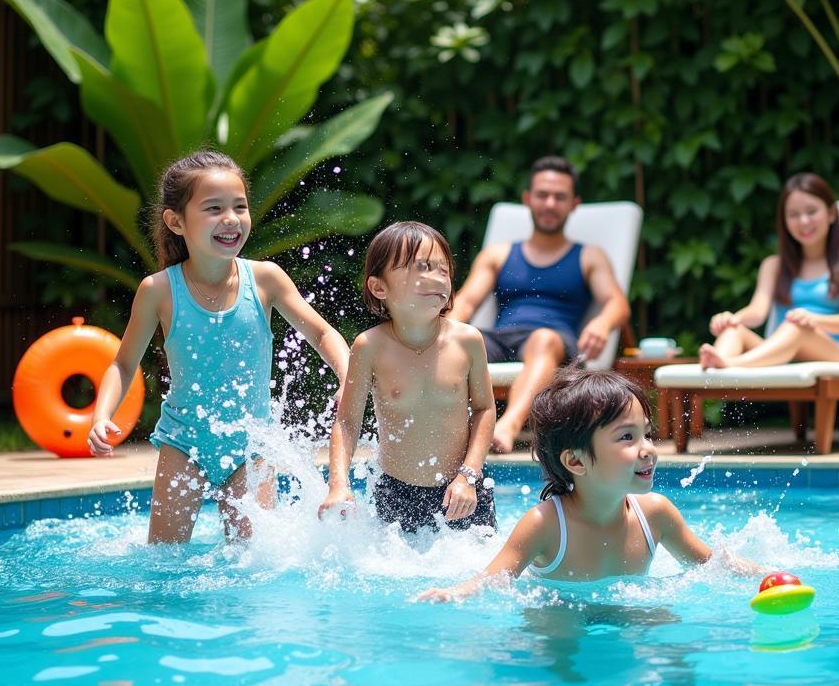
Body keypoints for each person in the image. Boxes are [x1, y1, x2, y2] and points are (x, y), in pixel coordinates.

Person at [88, 150, 350, 544]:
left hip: (250, 446)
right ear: (176, 221)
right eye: (214, 208)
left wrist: (349, 376)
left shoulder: (265, 280)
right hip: (183, 443)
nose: (231, 219)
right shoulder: (158, 291)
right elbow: (123, 365)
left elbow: (323, 334)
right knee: (165, 560)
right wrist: (101, 415)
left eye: (239, 207)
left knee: (253, 563)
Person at [418, 368, 754, 602]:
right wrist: (454, 593)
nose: (648, 449)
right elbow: (491, 581)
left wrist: (766, 577)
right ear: (575, 461)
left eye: (646, 434)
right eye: (627, 437)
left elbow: (714, 567)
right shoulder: (545, 525)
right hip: (559, 616)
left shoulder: (656, 514)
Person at [318, 221, 497, 533]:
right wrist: (338, 484)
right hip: (397, 493)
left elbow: (484, 408)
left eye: (444, 270)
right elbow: (347, 422)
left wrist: (469, 476)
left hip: (462, 490)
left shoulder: (467, 341)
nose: (439, 278)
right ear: (379, 287)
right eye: (423, 267)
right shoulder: (370, 347)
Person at [450, 156, 631, 453]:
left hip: (554, 344)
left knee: (543, 339)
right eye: (542, 195)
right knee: (460, 341)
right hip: (500, 339)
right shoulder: (499, 254)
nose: (549, 204)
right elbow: (466, 301)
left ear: (574, 204)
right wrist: (446, 334)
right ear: (528, 200)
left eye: (559, 197)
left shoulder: (588, 256)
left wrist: (603, 322)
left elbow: (617, 303)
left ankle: (507, 427)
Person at [700, 172, 839, 370]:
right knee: (733, 330)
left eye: (812, 211)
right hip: (781, 350)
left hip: (831, 351)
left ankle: (730, 364)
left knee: (797, 327)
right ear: (785, 221)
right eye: (794, 215)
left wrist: (812, 319)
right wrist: (733, 319)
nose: (804, 221)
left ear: (831, 214)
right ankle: (715, 370)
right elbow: (757, 311)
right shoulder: (774, 265)